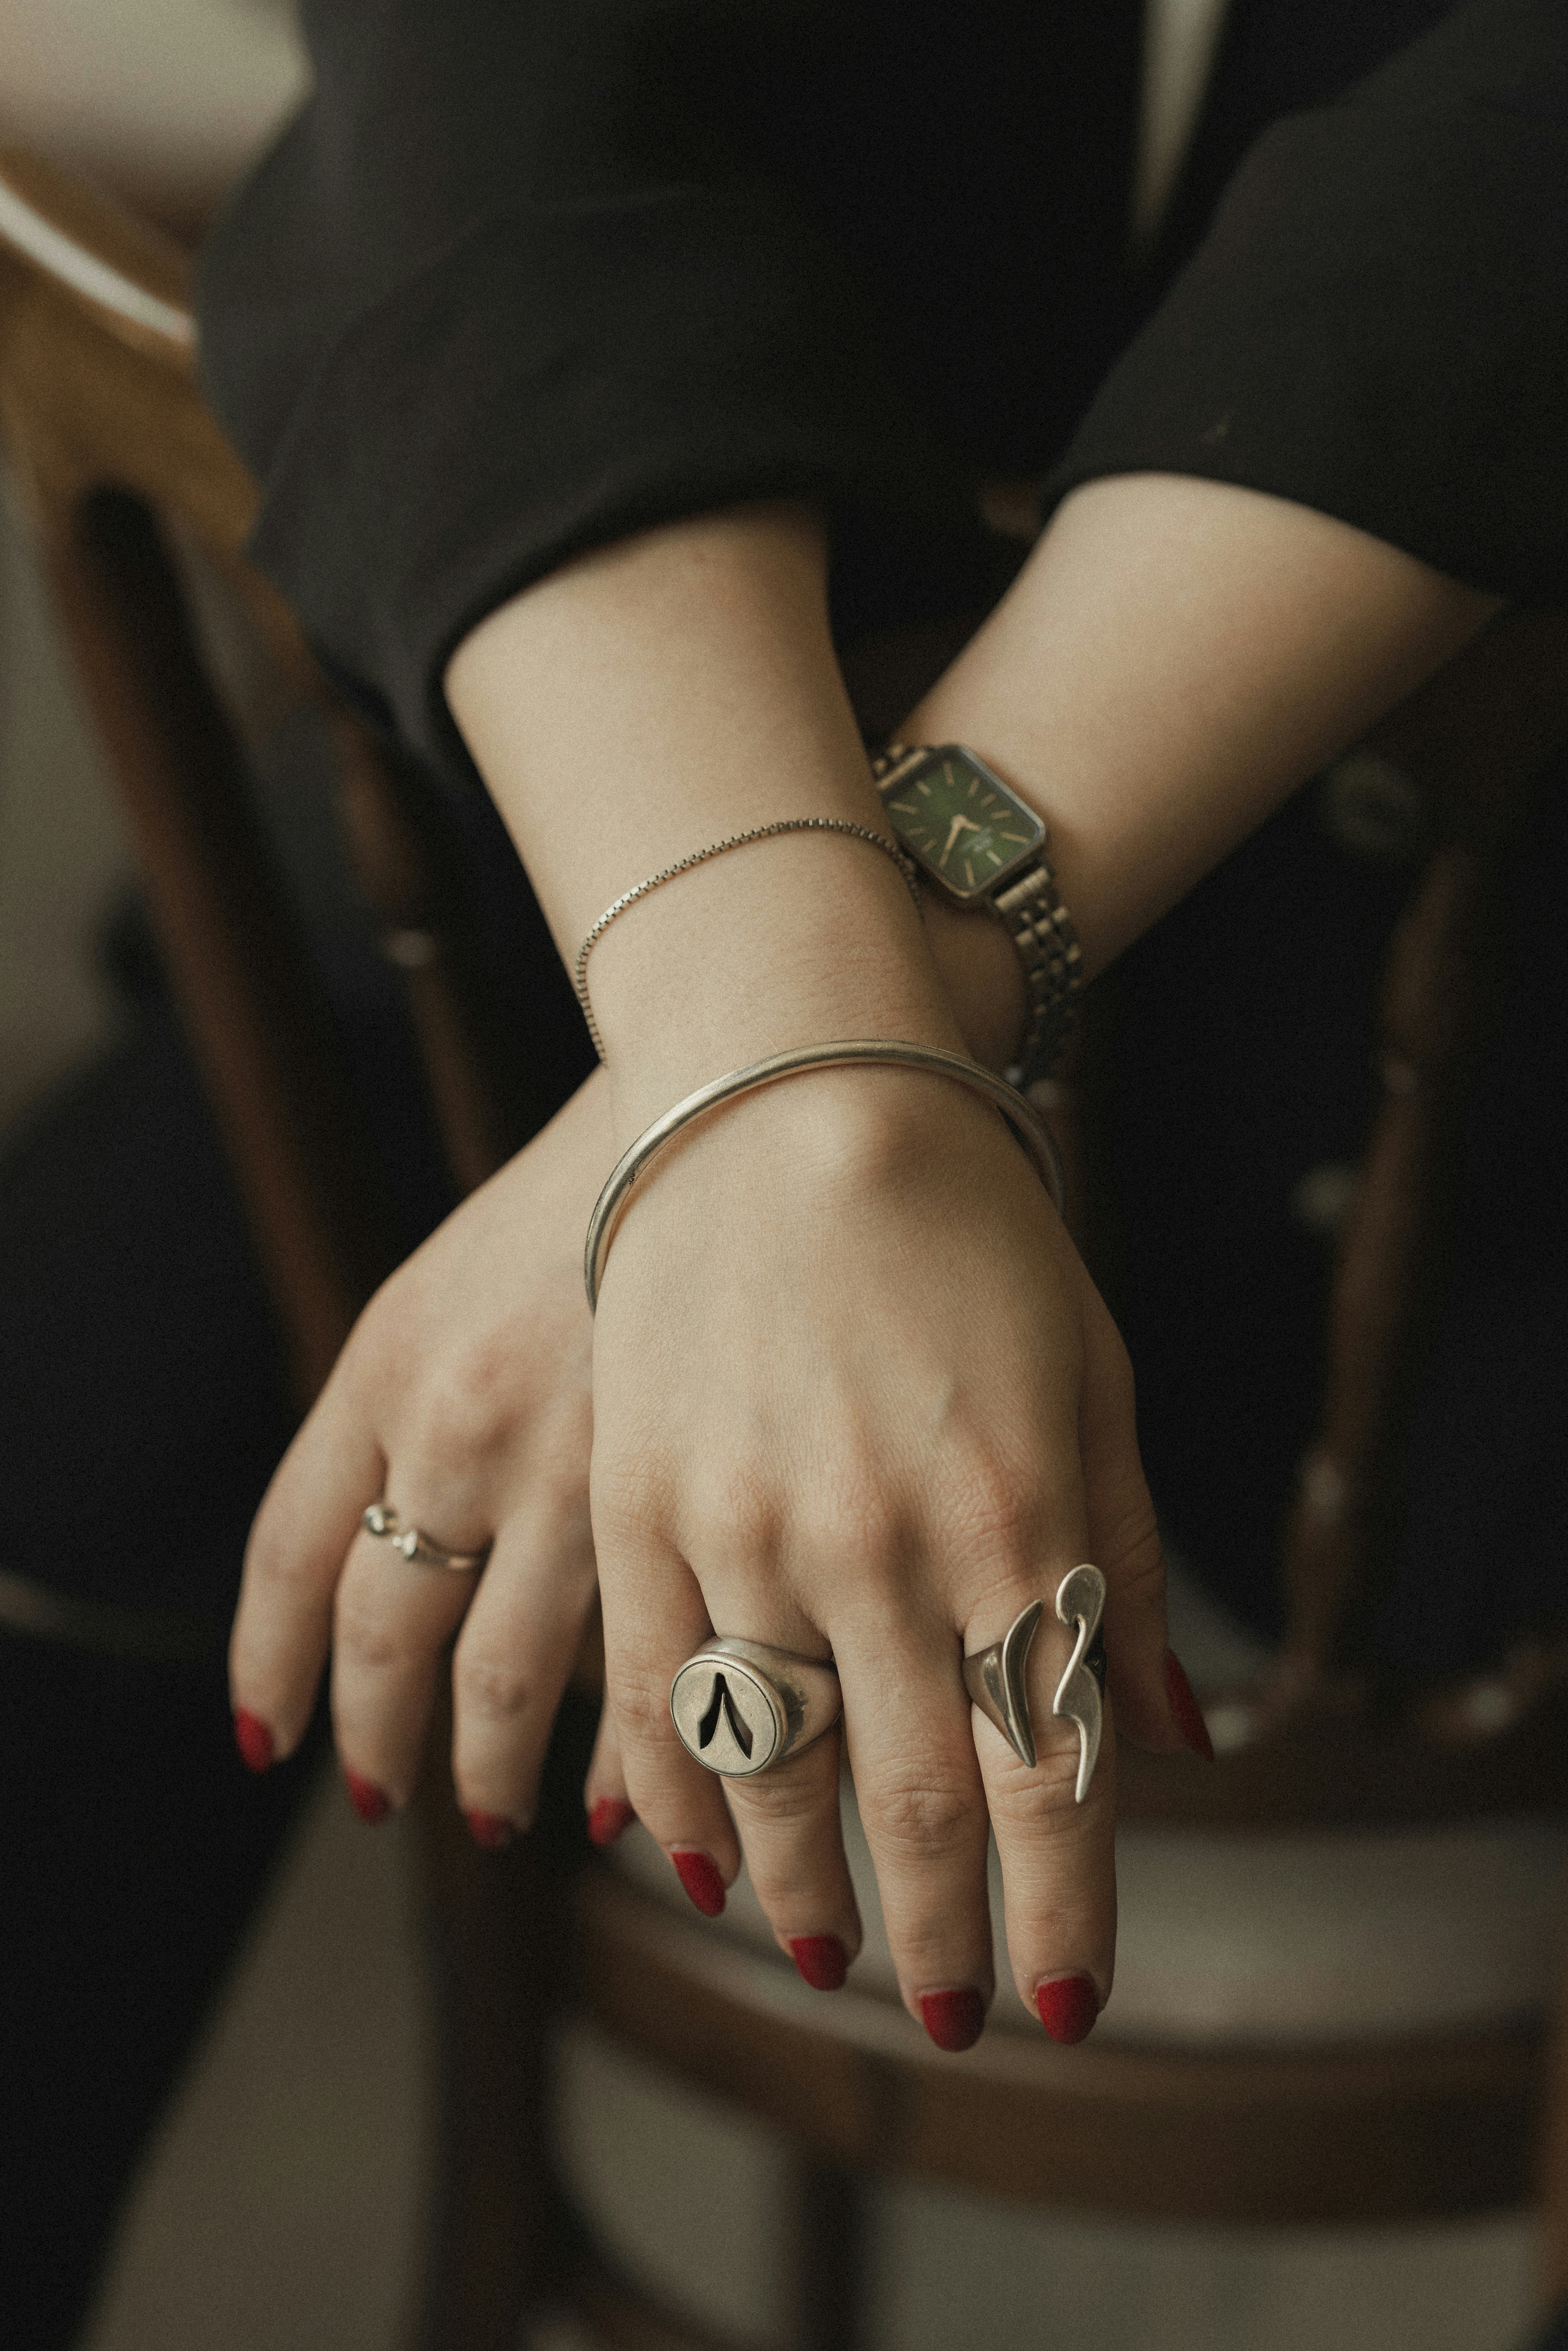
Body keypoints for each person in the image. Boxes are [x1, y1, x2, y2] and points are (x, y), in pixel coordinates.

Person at [197, 0, 1565, 2063]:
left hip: (1470, 1131)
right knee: (84, 1402)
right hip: (526, 923)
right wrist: (785, 1059)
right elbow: (473, 93)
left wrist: (782, 1080)